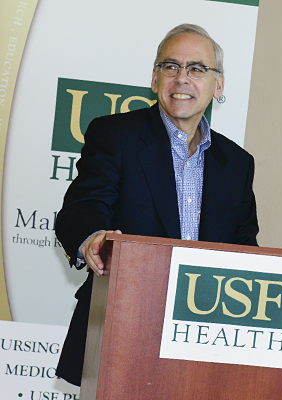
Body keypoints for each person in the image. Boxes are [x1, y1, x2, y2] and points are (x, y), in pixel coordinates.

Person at [54, 23, 259, 386]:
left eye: (197, 68)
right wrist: (94, 237)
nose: (182, 78)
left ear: (219, 85)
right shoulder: (115, 135)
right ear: (154, 79)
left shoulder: (237, 163)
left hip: (205, 339)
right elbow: (83, 206)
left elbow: (245, 248)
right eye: (171, 66)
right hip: (123, 326)